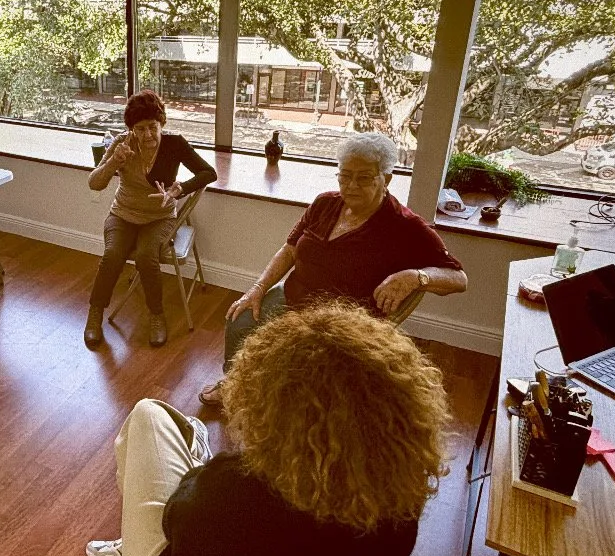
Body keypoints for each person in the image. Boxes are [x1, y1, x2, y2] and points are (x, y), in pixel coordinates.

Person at [85, 302, 451, 556]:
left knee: (148, 415)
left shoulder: (227, 496)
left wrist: (209, 478)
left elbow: (174, 520)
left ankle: (137, 537)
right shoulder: (399, 510)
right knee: (183, 459)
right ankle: (191, 448)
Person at [197, 128, 466, 410]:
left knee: (298, 361)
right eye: (345, 175)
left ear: (386, 179)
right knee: (239, 320)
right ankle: (236, 383)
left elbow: (458, 277)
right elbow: (289, 249)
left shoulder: (405, 226)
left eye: (363, 178)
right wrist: (258, 287)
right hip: (295, 299)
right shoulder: (325, 203)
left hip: (344, 322)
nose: (351, 186)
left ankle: (281, 410)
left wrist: (417, 277)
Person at [84, 89, 216, 349]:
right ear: (131, 129)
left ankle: (157, 315)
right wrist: (113, 163)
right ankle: (95, 314)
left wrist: (179, 189)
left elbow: (208, 173)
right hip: (122, 214)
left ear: (162, 123)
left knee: (146, 257)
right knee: (112, 255)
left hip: (160, 217)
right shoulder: (122, 143)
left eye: (152, 127)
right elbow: (94, 183)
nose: (147, 135)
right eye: (140, 129)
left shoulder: (174, 143)